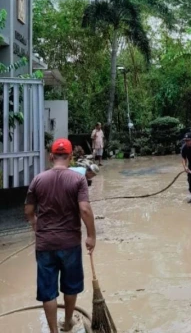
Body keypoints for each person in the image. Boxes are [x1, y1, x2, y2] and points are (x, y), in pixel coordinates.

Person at [24, 138, 96, 333]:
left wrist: (35, 224)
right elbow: (85, 209)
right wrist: (91, 236)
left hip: (45, 244)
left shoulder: (38, 179)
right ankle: (68, 322)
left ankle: (53, 331)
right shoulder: (78, 179)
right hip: (70, 243)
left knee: (48, 290)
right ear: (71, 157)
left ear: (51, 156)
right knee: (71, 286)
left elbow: (29, 209)